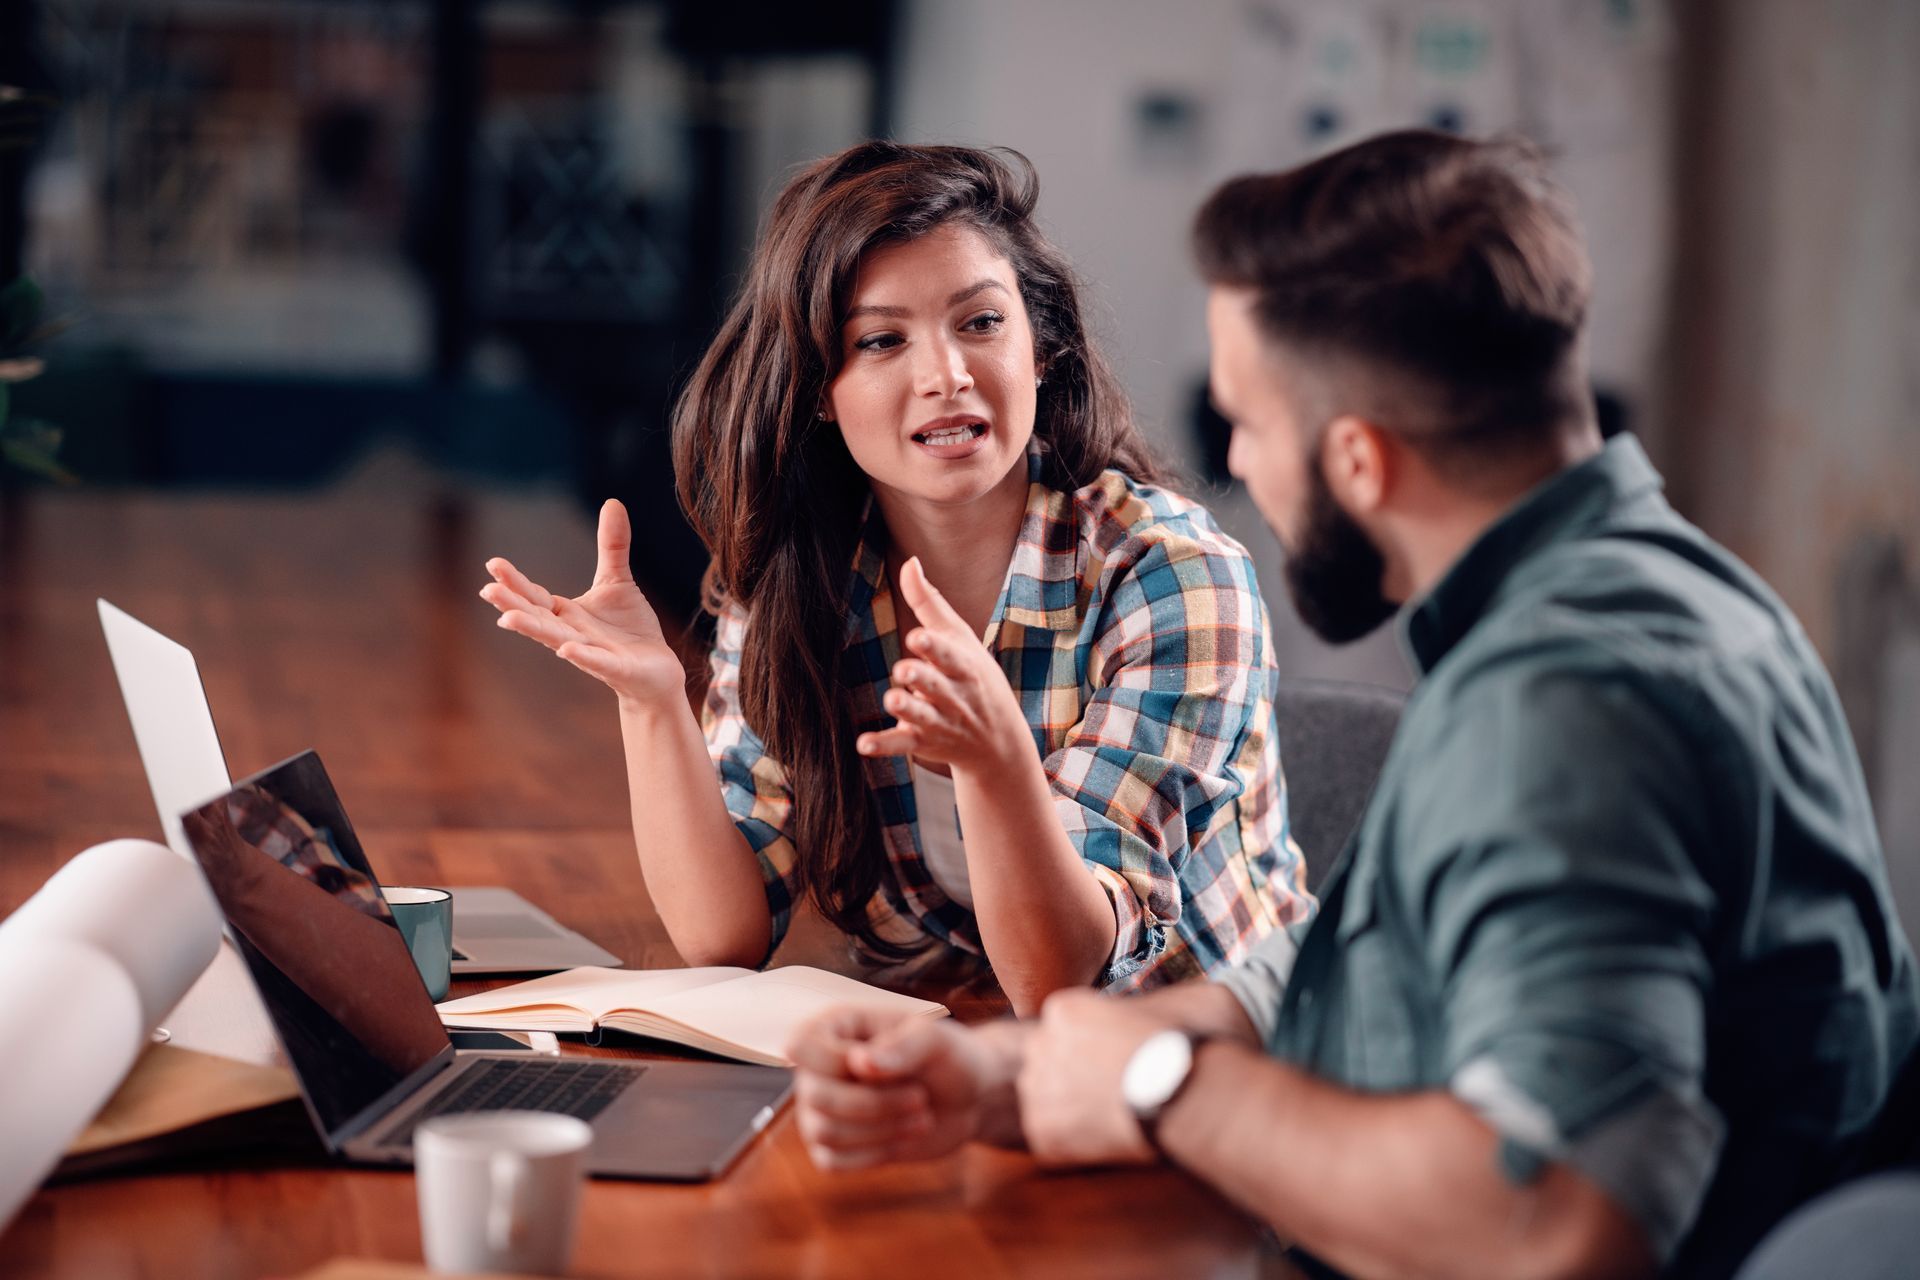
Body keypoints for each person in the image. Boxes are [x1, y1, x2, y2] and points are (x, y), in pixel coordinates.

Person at [783, 130, 1920, 1280]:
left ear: (1361, 461)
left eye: (1252, 422)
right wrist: (1017, 1076)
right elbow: (1357, 970)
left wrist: (1159, 1084)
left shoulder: (1565, 709)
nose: (1237, 462)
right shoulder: (1662, 593)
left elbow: (1556, 1219)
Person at [480, 142, 1312, 1015]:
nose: (945, 375)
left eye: (981, 323)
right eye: (881, 340)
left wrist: (996, 765)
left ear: (1043, 348)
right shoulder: (806, 580)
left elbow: (1061, 975)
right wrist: (653, 701)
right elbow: (721, 934)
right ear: (817, 392)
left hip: (1222, 1065)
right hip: (984, 1040)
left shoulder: (1172, 576)